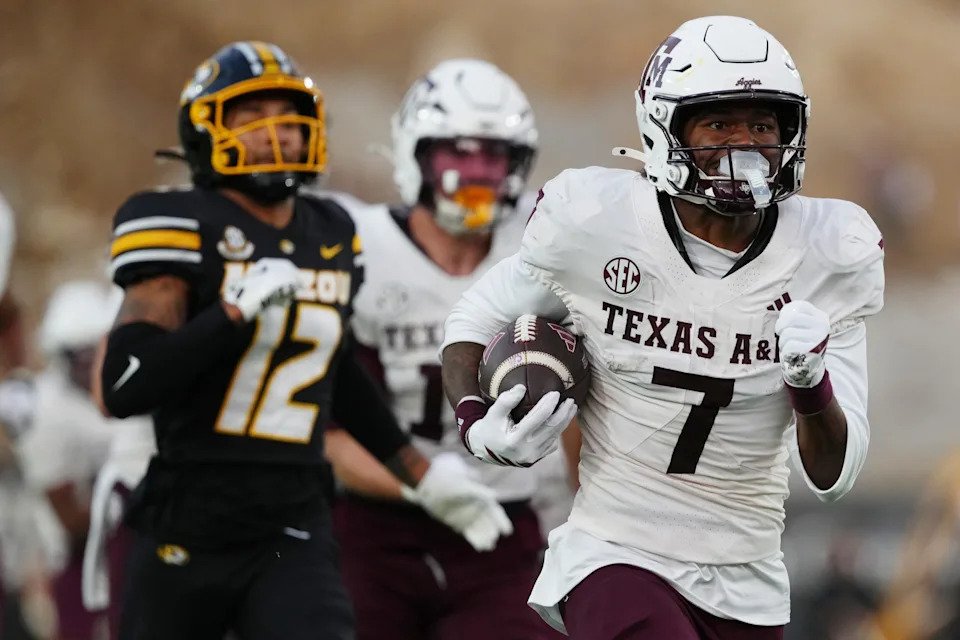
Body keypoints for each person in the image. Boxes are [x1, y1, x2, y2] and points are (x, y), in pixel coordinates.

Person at [439, 15, 885, 640]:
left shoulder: (830, 254)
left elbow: (834, 477)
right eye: (719, 124)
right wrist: (473, 418)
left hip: (747, 580)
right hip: (615, 553)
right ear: (664, 127)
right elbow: (473, 319)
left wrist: (812, 386)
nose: (746, 143)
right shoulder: (597, 224)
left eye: (763, 125)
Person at [98, 41, 510, 640]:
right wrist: (230, 313)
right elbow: (124, 385)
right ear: (205, 128)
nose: (278, 131)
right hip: (189, 519)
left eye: (288, 115)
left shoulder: (330, 230)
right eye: (252, 113)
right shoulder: (179, 221)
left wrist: (422, 476)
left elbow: (333, 370)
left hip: (294, 523)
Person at [321, 59, 575, 640]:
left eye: (494, 156)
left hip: (504, 528)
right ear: (415, 155)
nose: (477, 173)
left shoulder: (539, 250)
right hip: (376, 528)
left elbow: (586, 405)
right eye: (457, 154)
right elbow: (330, 429)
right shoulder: (363, 248)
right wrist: (422, 483)